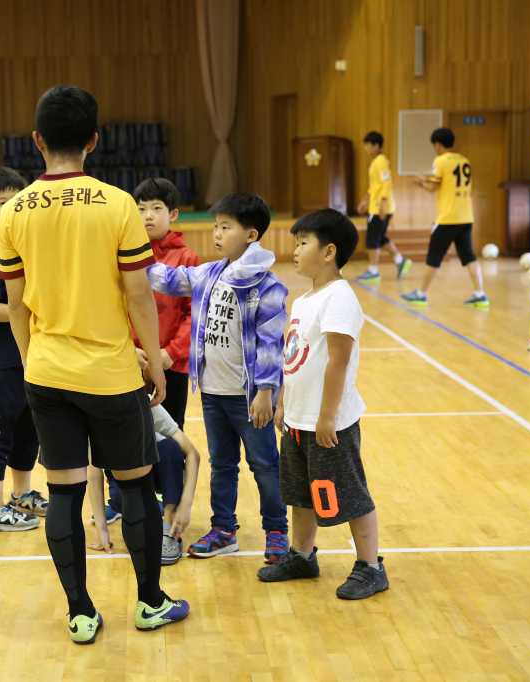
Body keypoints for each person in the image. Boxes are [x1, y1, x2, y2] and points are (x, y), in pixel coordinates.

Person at [0, 85, 189, 645]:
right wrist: (155, 363)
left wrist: (35, 361)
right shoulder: (117, 204)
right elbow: (138, 297)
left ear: (37, 140)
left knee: (63, 492)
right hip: (109, 375)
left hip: (47, 372)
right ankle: (150, 603)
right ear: (93, 141)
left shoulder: (13, 211)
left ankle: (80, 613)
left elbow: (15, 303)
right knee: (135, 487)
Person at [147, 192, 291, 565]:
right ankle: (224, 529)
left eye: (226, 227)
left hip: (248, 398)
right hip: (211, 392)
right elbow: (166, 278)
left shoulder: (268, 285)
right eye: (215, 226)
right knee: (222, 464)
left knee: (264, 464)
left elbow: (273, 346)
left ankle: (277, 530)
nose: (216, 233)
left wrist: (265, 392)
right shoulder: (209, 272)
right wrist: (128, 256)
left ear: (251, 234)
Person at [258, 208, 389, 600]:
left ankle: (370, 566)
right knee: (301, 493)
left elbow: (338, 359)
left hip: (329, 422)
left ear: (329, 251)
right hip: (298, 420)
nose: (294, 249)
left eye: (303, 243)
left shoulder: (339, 298)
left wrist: (328, 416)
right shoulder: (305, 300)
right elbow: (293, 355)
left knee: (349, 495)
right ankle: (302, 555)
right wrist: (283, 404)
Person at [0, 168, 48, 532]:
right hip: (1, 364)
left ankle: (22, 496)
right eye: (3, 202)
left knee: (27, 433)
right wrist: (29, 316)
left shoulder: (33, 248)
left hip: (32, 359)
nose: (12, 206)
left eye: (18, 199)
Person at [87, 400, 202, 565]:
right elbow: (93, 475)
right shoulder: (92, 412)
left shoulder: (146, 402)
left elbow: (192, 453)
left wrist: (185, 505)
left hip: (157, 467)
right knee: (120, 502)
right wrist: (101, 530)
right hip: (124, 469)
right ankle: (148, 506)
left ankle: (169, 526)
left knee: (170, 447)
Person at [131, 177, 200, 430]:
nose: (148, 215)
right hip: (131, 360)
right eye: (141, 209)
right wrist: (128, 349)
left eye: (156, 208)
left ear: (173, 214)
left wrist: (171, 353)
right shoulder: (125, 256)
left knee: (171, 432)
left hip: (173, 362)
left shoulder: (186, 258)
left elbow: (195, 313)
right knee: (130, 433)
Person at [401, 127, 488, 307]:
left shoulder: (440, 160)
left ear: (438, 144)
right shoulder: (465, 160)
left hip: (448, 217)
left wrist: (420, 183)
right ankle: (480, 293)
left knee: (434, 257)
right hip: (466, 217)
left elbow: (433, 187)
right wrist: (426, 180)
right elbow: (443, 183)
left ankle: (421, 293)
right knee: (469, 257)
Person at [356, 131, 411, 283]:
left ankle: (373, 271)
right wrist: (365, 200)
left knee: (373, 238)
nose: (365, 148)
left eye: (368, 145)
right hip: (375, 204)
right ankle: (400, 261)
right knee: (379, 237)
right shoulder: (375, 162)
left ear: (376, 146)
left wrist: (382, 204)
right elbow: (375, 186)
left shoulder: (381, 161)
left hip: (380, 206)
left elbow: (386, 184)